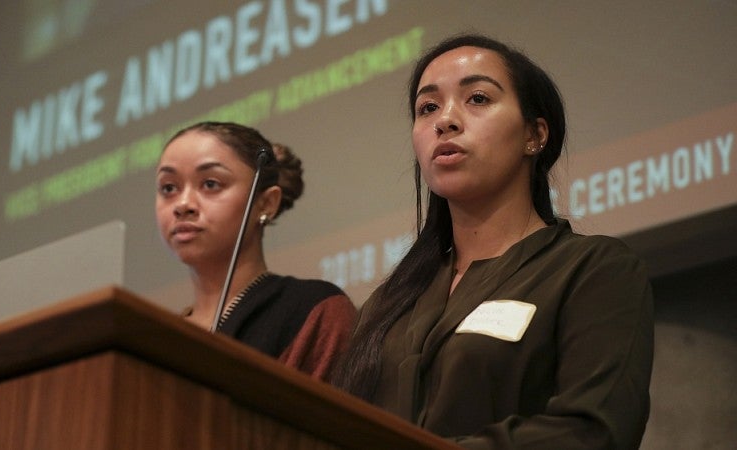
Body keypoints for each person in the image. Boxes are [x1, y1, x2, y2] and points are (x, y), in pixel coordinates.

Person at [332, 34, 654, 449]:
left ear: (534, 135)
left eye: (478, 99)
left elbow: (594, 430)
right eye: (428, 107)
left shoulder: (594, 269)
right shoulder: (387, 305)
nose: (444, 121)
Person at [155, 121, 357, 381]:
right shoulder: (157, 336)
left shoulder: (314, 309)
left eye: (210, 184)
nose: (183, 205)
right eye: (169, 188)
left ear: (266, 203)